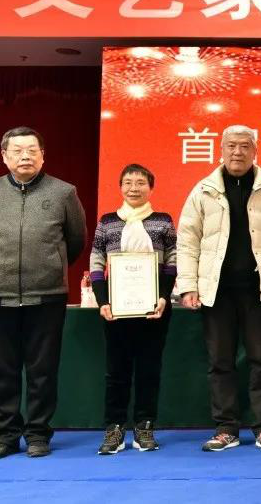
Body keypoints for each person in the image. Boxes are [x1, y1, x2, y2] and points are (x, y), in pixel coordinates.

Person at [0, 126, 87, 460]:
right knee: (2, 370)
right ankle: (4, 436)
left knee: (42, 370)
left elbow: (76, 240)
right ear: (4, 156)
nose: (25, 156)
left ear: (42, 155)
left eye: (32, 150)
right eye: (17, 151)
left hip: (47, 295)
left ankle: (38, 434)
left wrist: (49, 267)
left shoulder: (64, 192)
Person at [177, 125, 261, 452]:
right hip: (216, 290)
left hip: (259, 289)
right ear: (221, 149)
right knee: (220, 361)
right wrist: (188, 285)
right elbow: (187, 242)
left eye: (244, 146)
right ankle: (226, 428)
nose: (237, 152)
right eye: (231, 146)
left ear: (255, 151)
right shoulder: (203, 190)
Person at [89, 164, 177, 454]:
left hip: (155, 308)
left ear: (151, 188)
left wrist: (164, 297)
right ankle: (114, 428)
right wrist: (103, 300)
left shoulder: (163, 221)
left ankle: (144, 426)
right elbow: (96, 261)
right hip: (116, 309)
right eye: (128, 182)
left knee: (149, 369)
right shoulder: (107, 222)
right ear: (120, 187)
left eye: (140, 183)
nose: (134, 188)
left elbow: (173, 260)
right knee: (116, 371)